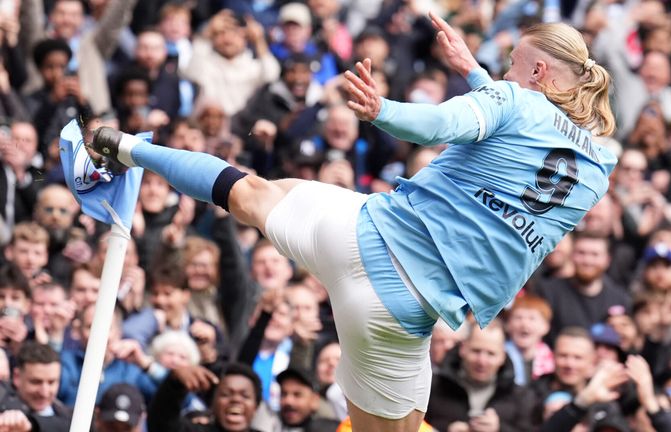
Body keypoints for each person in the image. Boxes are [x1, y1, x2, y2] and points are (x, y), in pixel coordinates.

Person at [88, 12, 615, 432]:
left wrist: (383, 108)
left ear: (539, 73)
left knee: (252, 192)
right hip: (397, 310)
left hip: (357, 229)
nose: (502, 76)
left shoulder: (513, 99)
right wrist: (477, 75)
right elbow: (524, 135)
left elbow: (442, 123)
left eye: (511, 66)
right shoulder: (599, 169)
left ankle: (127, 147)